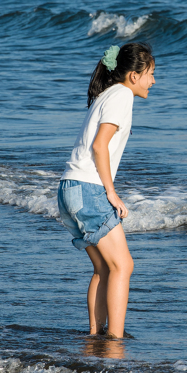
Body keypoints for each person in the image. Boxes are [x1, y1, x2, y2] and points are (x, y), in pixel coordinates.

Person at [58, 43, 155, 338]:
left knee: (104, 269)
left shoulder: (107, 94)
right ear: (134, 76)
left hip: (69, 188)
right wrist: (111, 193)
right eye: (151, 73)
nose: (154, 80)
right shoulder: (122, 95)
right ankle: (114, 341)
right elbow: (100, 146)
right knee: (123, 265)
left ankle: (95, 336)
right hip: (88, 189)